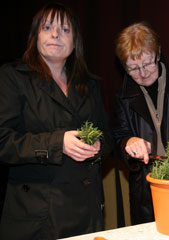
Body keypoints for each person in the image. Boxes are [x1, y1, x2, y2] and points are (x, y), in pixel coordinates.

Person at [0, 2, 113, 240]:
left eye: (64, 30)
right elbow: (4, 142)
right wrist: (58, 143)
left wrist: (98, 146)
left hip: (87, 213)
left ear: (75, 42)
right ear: (35, 36)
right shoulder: (12, 78)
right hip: (36, 218)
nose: (55, 35)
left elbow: (108, 135)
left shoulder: (89, 84)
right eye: (47, 27)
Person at [112, 21, 169, 225]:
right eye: (132, 69)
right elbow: (116, 137)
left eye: (147, 64)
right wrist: (127, 142)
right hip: (145, 195)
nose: (142, 74)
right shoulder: (123, 97)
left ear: (158, 53)